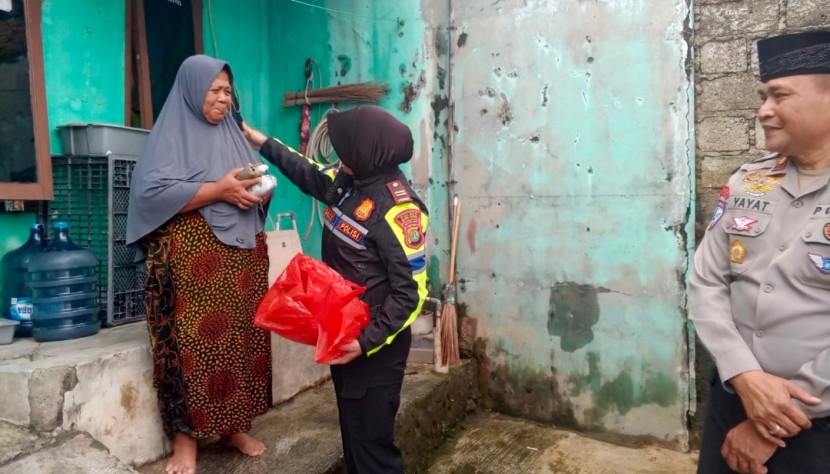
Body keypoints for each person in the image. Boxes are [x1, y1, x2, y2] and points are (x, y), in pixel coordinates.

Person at [242, 105, 428, 473]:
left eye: (346, 152)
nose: (339, 159)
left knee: (374, 447)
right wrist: (257, 139)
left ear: (367, 153)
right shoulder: (348, 182)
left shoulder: (399, 210)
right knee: (354, 434)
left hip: (373, 349)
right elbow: (306, 170)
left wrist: (365, 342)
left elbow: (411, 295)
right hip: (345, 332)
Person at [691, 30, 830, 474]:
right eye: (762, 96)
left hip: (814, 426)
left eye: (779, 96)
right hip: (730, 400)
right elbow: (706, 280)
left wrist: (772, 422)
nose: (763, 111)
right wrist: (745, 376)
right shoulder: (748, 181)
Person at [126, 55, 272, 474]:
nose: (224, 97)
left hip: (241, 259)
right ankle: (185, 440)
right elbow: (151, 197)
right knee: (188, 347)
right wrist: (218, 190)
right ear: (193, 89)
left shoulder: (232, 133)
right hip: (189, 263)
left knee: (241, 342)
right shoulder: (169, 136)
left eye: (228, 90)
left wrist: (256, 189)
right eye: (215, 89)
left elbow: (249, 178)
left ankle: (233, 427)